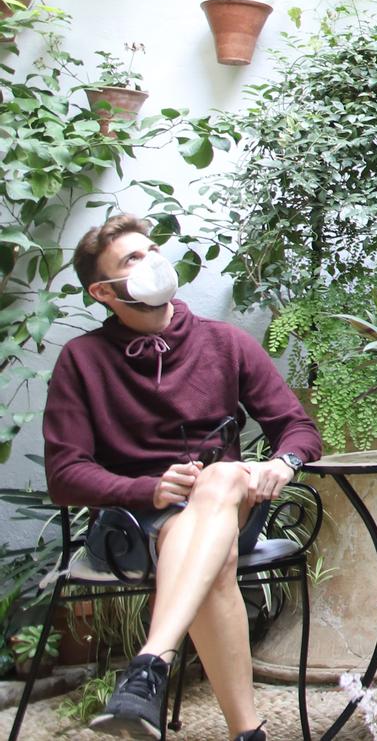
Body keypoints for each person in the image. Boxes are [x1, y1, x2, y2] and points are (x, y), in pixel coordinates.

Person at [44, 214, 322, 741]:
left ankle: (148, 664)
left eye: (151, 249)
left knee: (220, 479)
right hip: (135, 527)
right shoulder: (81, 361)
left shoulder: (226, 343)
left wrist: (280, 464)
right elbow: (65, 474)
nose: (151, 262)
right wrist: (145, 488)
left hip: (226, 505)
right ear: (103, 291)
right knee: (210, 560)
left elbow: (299, 429)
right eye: (132, 259)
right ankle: (249, 734)